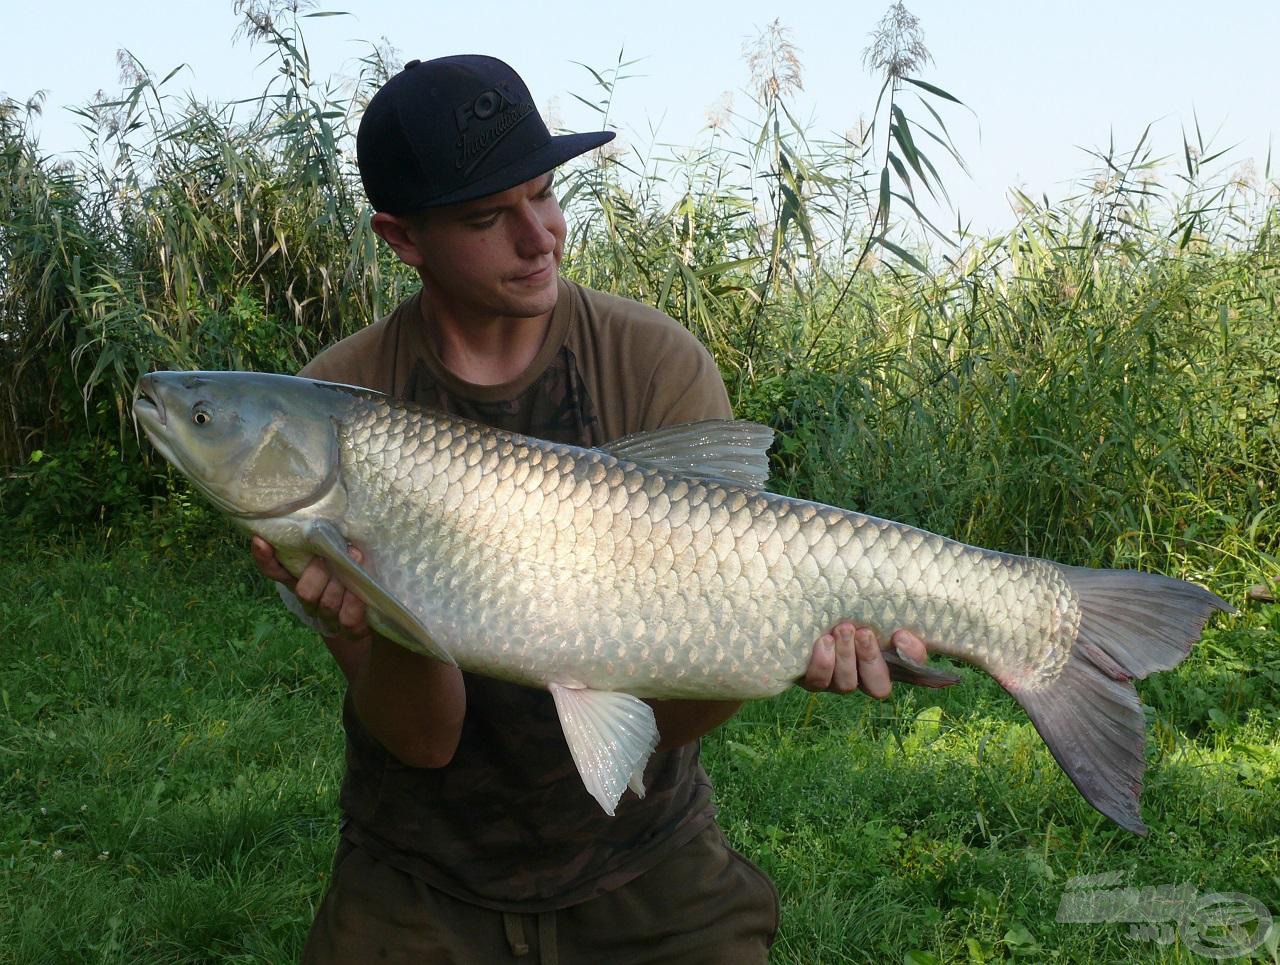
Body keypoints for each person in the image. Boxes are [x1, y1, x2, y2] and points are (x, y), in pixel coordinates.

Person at [251, 54, 930, 964]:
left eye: (544, 193)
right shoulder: (336, 403)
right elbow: (423, 737)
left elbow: (666, 725)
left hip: (643, 852)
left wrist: (767, 648)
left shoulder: (654, 360)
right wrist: (380, 622)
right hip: (420, 863)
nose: (542, 237)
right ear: (402, 238)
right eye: (489, 216)